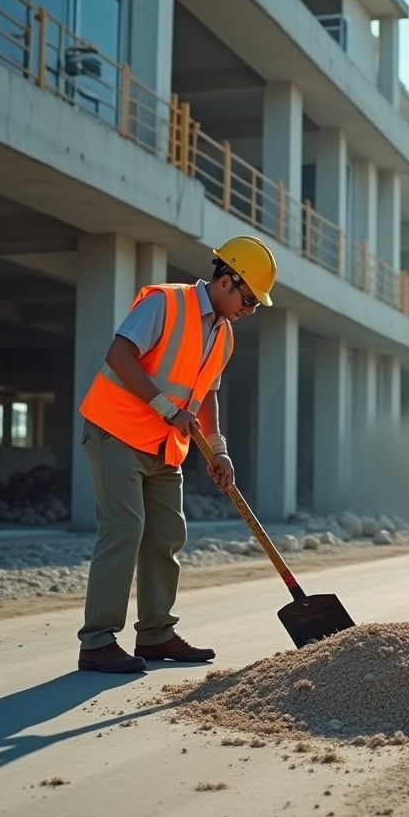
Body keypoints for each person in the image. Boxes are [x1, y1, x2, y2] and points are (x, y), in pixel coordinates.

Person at [74, 235, 276, 673]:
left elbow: (205, 397)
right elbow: (119, 354)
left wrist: (218, 448)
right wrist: (165, 407)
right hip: (117, 432)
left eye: (256, 304)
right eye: (248, 299)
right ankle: (97, 642)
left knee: (166, 536)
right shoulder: (166, 303)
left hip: (165, 447)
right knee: (124, 529)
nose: (250, 309)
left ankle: (155, 634)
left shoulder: (223, 336)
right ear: (226, 280)